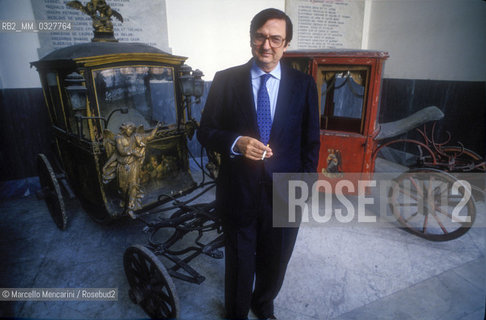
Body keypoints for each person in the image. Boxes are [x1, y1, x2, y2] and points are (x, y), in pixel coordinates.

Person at [197, 8, 320, 320]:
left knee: (276, 260)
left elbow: (311, 141)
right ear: (251, 38)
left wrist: (304, 186)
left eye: (275, 39)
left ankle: (263, 304)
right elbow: (205, 131)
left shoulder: (303, 85)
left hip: (285, 191)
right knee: (239, 260)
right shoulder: (226, 80)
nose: (267, 45)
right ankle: (236, 312)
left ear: (286, 43)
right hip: (239, 188)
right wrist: (236, 143)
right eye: (260, 37)